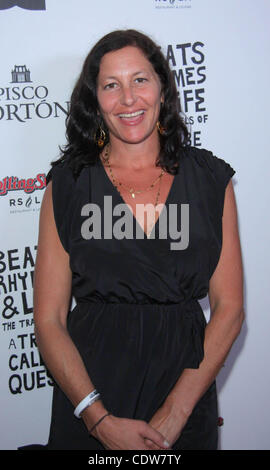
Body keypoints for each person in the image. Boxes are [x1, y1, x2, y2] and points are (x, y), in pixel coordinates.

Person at [33, 29, 244, 450]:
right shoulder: (69, 184)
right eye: (111, 85)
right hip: (91, 394)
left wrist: (176, 412)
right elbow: (49, 319)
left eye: (140, 80)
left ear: (163, 89)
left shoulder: (209, 181)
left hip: (185, 394)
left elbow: (231, 308)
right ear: (95, 100)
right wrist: (98, 419)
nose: (128, 99)